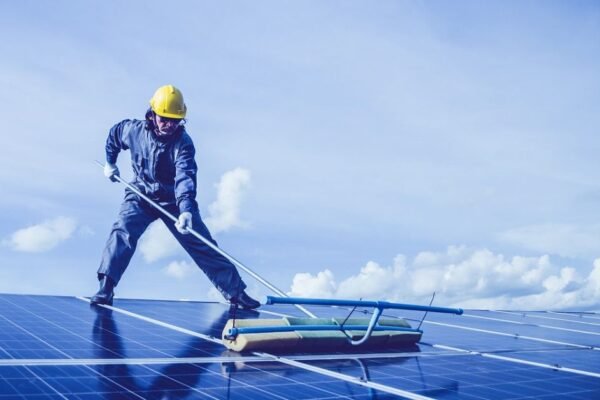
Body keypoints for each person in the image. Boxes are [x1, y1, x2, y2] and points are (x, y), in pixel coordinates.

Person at [90, 84, 260, 310]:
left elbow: (185, 177)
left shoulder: (184, 144)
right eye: (164, 119)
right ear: (152, 115)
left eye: (175, 120)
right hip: (140, 194)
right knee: (123, 231)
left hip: (174, 202)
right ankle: (106, 287)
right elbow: (114, 135)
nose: (170, 125)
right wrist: (110, 163)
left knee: (201, 242)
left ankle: (236, 293)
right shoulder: (133, 130)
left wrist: (187, 210)